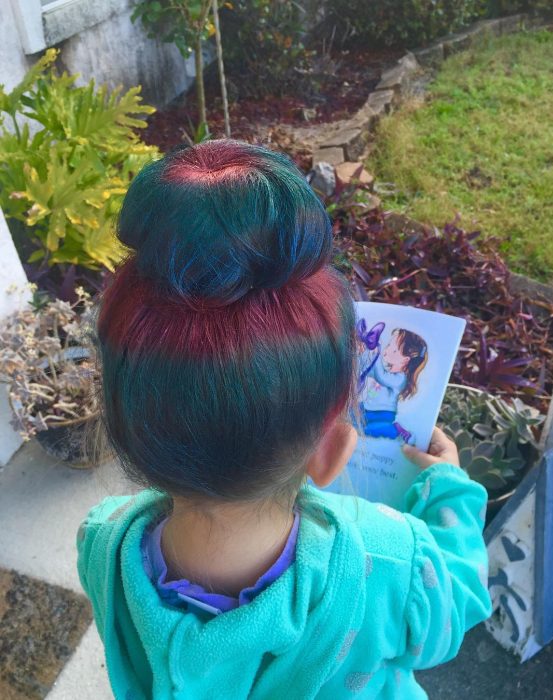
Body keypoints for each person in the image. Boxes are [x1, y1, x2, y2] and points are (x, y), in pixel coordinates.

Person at [77, 139, 492, 700]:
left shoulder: (102, 544)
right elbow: (459, 601)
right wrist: (449, 491)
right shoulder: (392, 563)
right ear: (328, 451)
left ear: (131, 432)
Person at [359, 327, 428, 444]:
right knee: (349, 418)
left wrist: (375, 354)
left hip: (382, 415)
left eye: (394, 349)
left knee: (367, 430)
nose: (387, 349)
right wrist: (364, 352)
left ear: (405, 360)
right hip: (366, 407)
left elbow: (381, 377)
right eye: (389, 345)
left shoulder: (400, 379)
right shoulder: (386, 369)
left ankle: (395, 430)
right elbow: (368, 370)